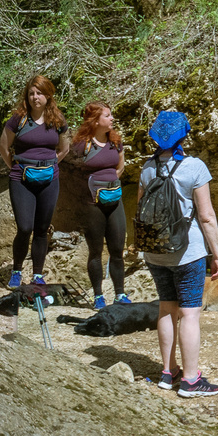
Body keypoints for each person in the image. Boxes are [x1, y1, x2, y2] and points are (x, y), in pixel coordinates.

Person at [138, 110, 218, 396]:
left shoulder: (147, 168)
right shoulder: (194, 167)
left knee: (166, 308)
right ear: (184, 135)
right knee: (189, 314)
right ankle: (190, 380)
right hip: (188, 252)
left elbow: (141, 210)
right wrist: (217, 254)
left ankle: (167, 372)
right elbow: (207, 216)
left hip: (155, 252)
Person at [0, 74, 67, 301]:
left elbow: (64, 148)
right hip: (21, 179)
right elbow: (3, 146)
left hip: (49, 179)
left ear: (48, 96)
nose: (35, 97)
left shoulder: (57, 120)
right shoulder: (18, 119)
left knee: (42, 228)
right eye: (31, 93)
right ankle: (16, 271)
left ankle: (38, 274)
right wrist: (15, 167)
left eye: (39, 93)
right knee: (25, 227)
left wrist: (49, 165)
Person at [65, 103, 131, 310]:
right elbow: (71, 173)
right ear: (95, 121)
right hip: (91, 204)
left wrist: (109, 184)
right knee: (95, 251)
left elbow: (120, 167)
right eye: (107, 116)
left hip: (114, 201)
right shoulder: (80, 146)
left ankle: (120, 294)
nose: (112, 119)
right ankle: (98, 296)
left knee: (117, 250)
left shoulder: (116, 141)